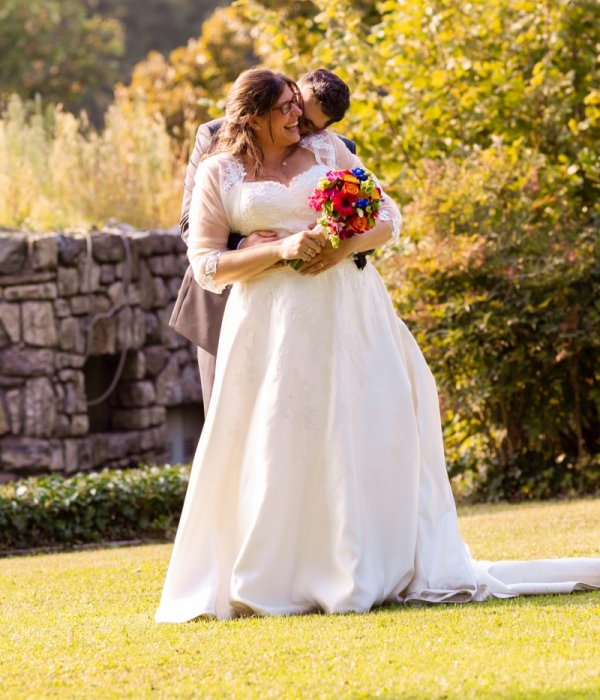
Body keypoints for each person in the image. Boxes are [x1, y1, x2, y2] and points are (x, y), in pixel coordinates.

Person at [156, 68, 600, 623]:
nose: (300, 116)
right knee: (277, 436)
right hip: (266, 326)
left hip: (347, 310)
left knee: (355, 429)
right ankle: (274, 573)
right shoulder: (219, 171)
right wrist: (280, 248)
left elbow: (387, 215)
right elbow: (206, 264)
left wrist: (340, 250)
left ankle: (362, 562)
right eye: (286, 108)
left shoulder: (328, 149)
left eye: (299, 104)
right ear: (253, 114)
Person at [169, 68, 355, 414]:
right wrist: (247, 245)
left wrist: (334, 245)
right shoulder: (212, 136)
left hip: (313, 305)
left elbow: (366, 219)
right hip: (224, 301)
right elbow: (189, 225)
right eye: (294, 109)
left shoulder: (331, 150)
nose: (301, 129)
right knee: (229, 420)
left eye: (313, 127)